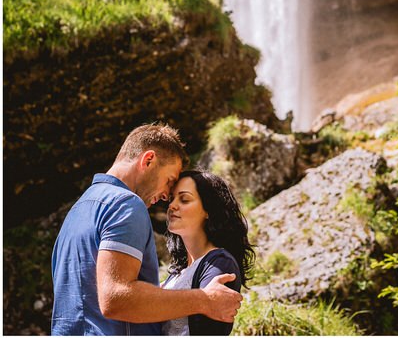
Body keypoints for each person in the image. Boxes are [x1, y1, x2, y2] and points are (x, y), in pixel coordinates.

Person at [51, 124, 242, 335]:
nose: (165, 197)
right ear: (148, 160)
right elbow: (115, 298)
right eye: (169, 181)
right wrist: (205, 299)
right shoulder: (125, 204)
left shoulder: (77, 211)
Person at [162, 170, 255, 335]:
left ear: (208, 210)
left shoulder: (220, 263)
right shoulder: (179, 271)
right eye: (172, 198)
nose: (172, 205)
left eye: (184, 199)